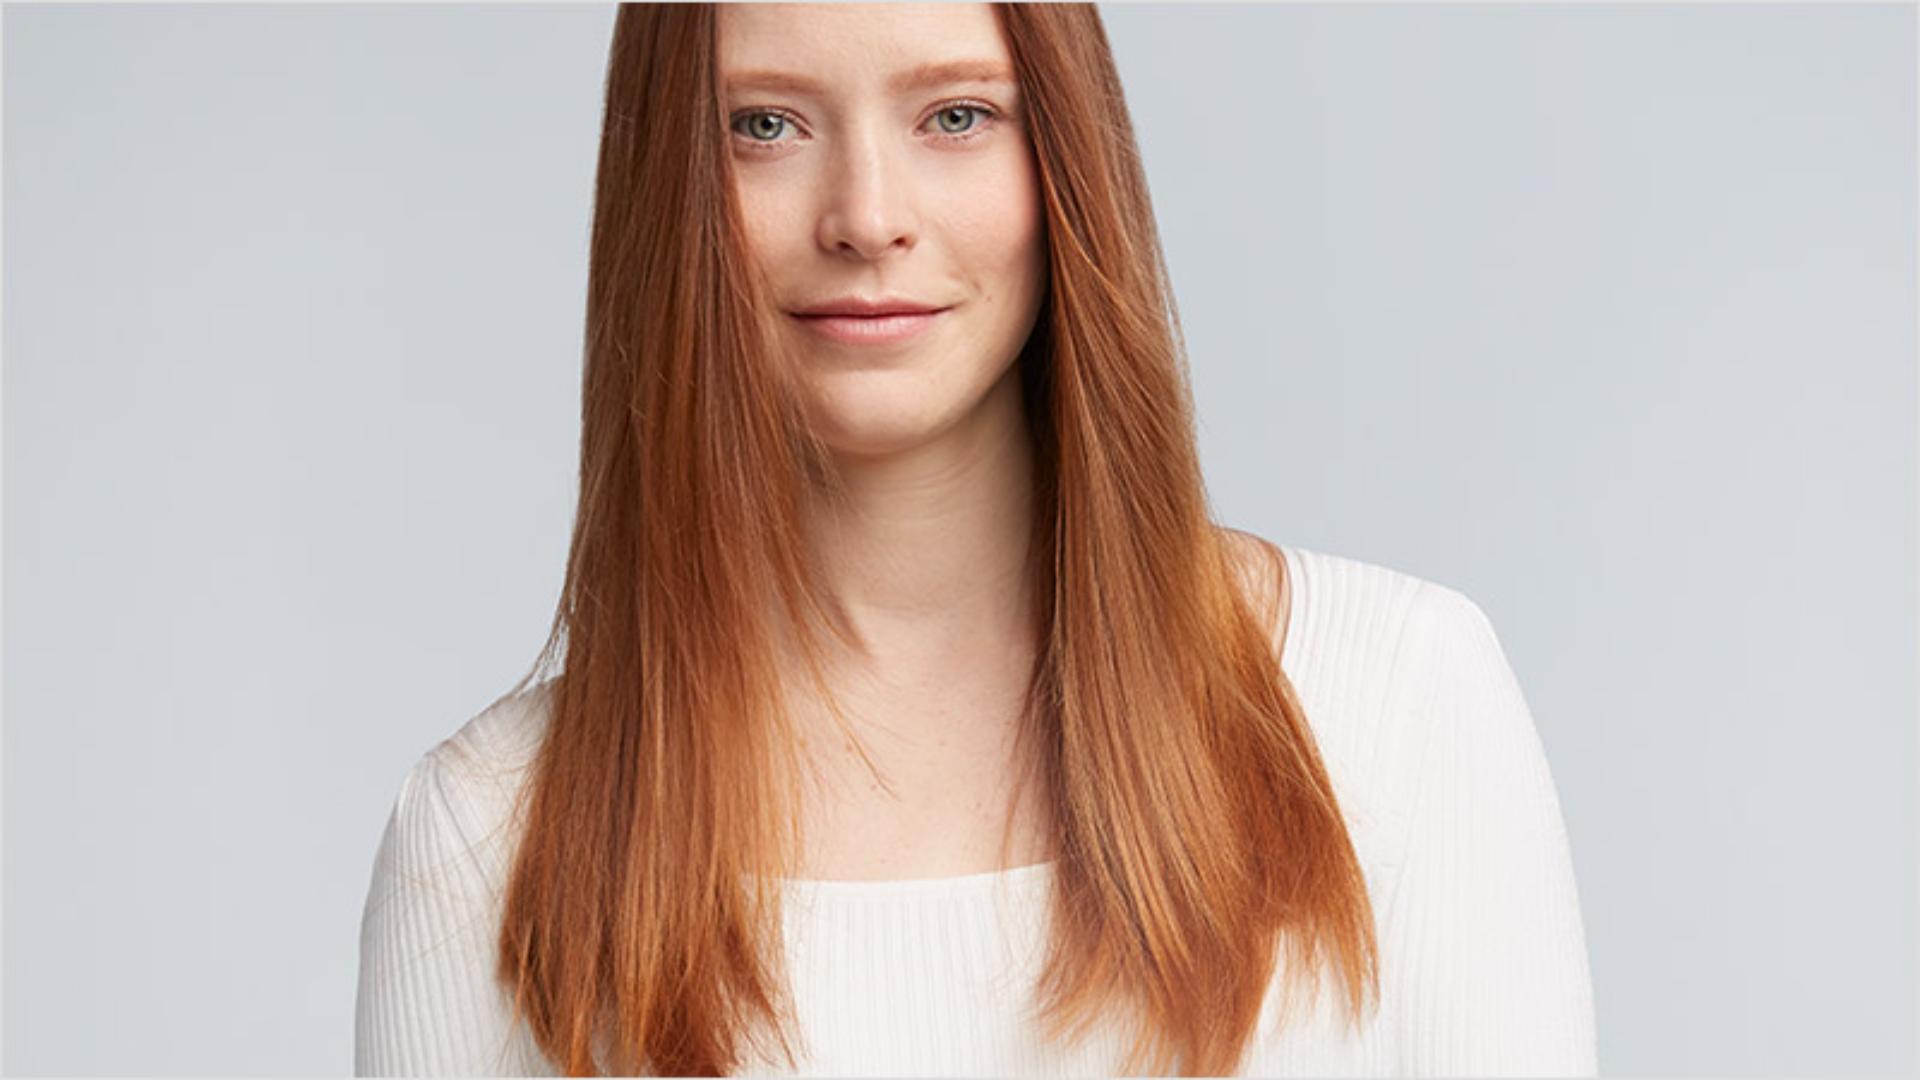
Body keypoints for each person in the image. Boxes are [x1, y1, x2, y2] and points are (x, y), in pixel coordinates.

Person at [353, 4, 1597, 1076]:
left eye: (955, 115)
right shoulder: (491, 833)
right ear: (660, 182)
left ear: (1065, 150)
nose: (866, 217)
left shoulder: (1393, 702)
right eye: (763, 125)